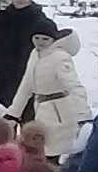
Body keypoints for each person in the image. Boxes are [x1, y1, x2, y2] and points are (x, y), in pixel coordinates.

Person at [6, 23, 92, 154]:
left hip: (61, 112)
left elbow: (74, 86)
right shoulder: (35, 54)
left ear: (53, 39)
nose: (40, 42)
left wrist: (84, 116)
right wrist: (13, 113)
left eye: (45, 39)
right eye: (37, 38)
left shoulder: (60, 57)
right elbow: (27, 85)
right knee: (43, 151)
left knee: (57, 152)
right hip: (41, 109)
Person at [0, 0, 51, 109]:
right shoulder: (3, 17)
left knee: (26, 104)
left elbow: (47, 41)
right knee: (5, 104)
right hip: (3, 68)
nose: (20, 0)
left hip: (26, 66)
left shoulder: (38, 18)